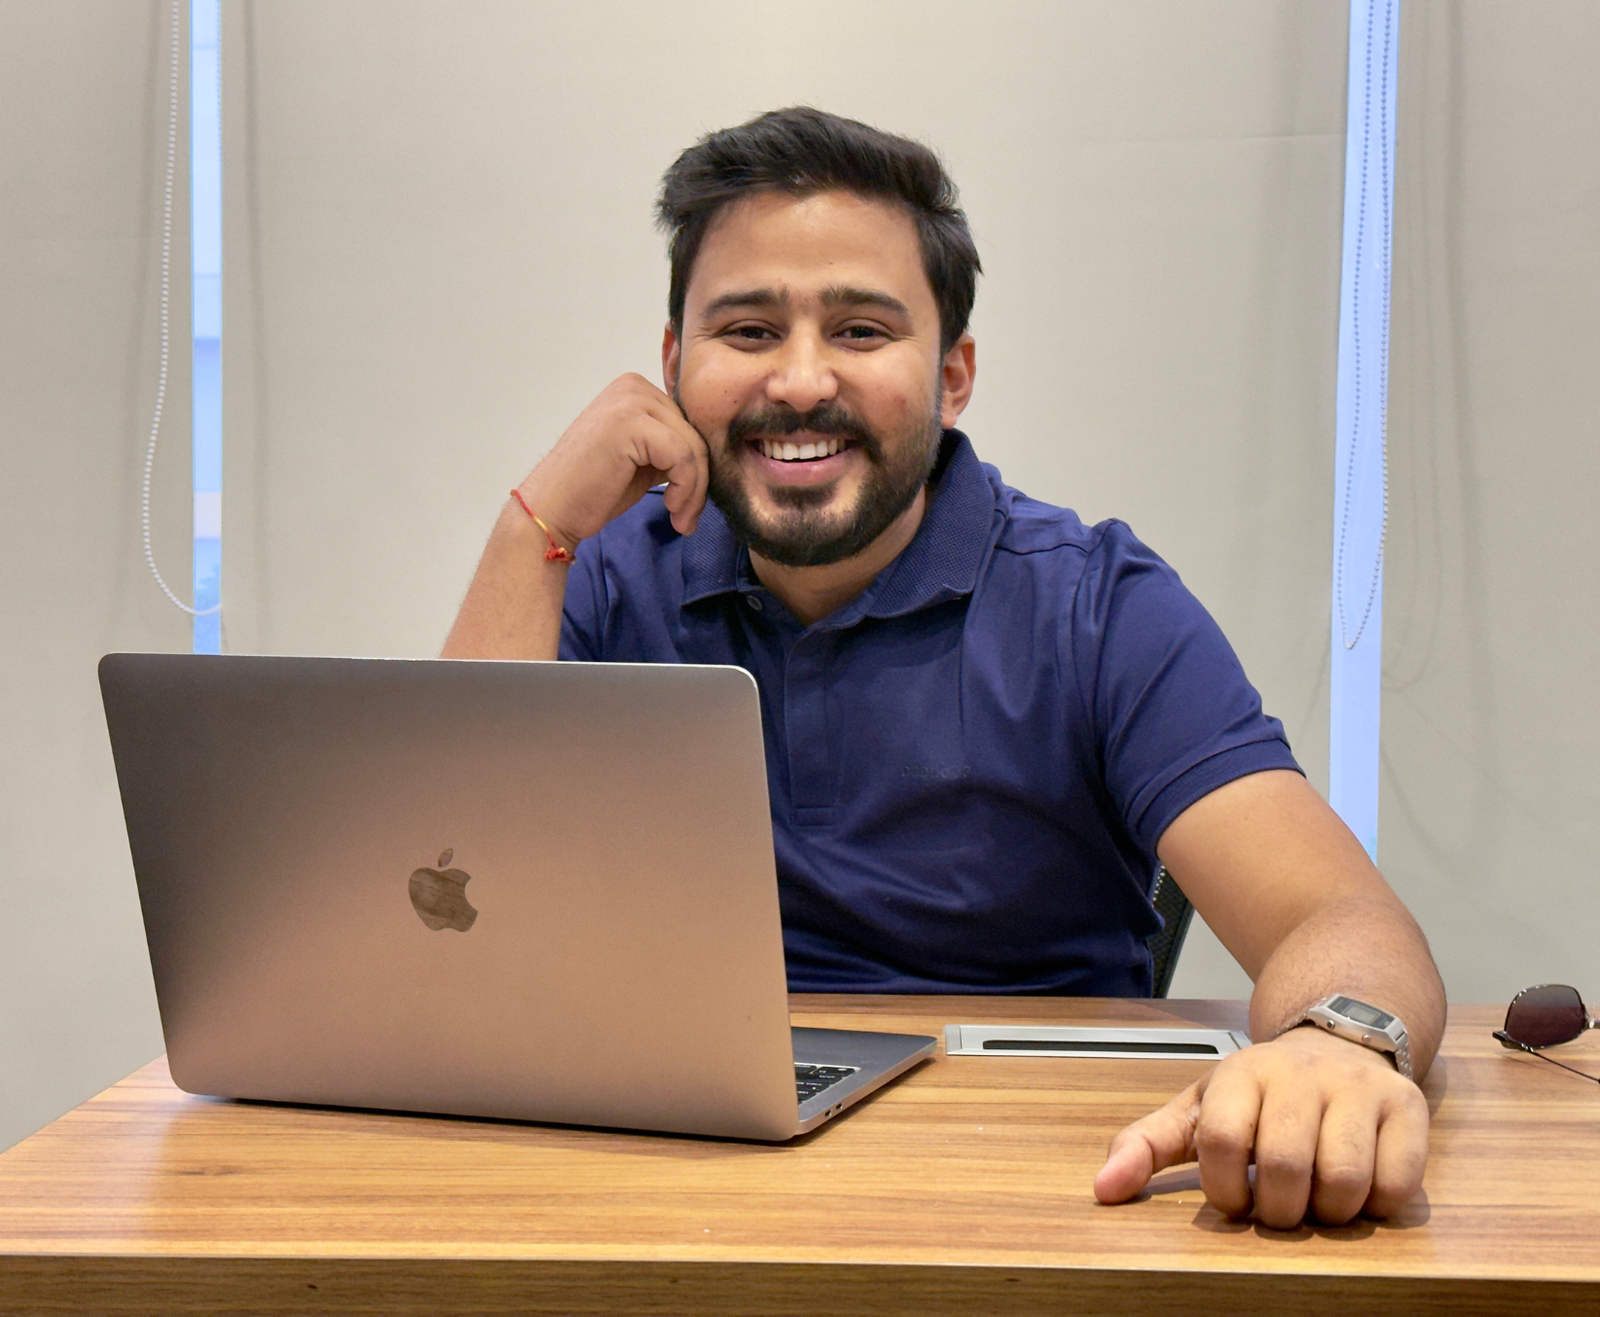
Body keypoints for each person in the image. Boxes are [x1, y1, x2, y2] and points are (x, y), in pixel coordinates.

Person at [443, 107, 1443, 1230]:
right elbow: (441, 916)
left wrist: (1338, 1042)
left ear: (952, 376)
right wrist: (532, 529)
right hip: (667, 1172)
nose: (800, 381)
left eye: (863, 330)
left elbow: (1341, 915)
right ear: (674, 366)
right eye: (749, 330)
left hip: (1038, 1187)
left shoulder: (1095, 604)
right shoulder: (605, 576)